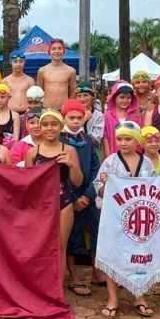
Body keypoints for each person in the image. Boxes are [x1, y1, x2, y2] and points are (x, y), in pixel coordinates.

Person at [94, 121, 158, 318]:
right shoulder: (110, 162)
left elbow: (155, 188)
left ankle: (139, 296)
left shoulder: (146, 163)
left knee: (140, 257)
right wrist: (105, 185)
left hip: (139, 220)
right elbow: (99, 189)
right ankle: (113, 299)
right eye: (120, 139)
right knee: (113, 257)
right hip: (114, 219)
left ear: (137, 141)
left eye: (128, 139)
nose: (123, 143)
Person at [25, 108, 82, 281]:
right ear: (40, 127)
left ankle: (57, 289)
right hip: (40, 205)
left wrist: (72, 165)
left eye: (54, 124)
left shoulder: (69, 150)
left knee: (60, 247)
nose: (49, 128)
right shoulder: (32, 152)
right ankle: (41, 285)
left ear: (61, 126)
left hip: (63, 203)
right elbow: (27, 185)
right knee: (40, 247)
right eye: (45, 125)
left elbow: (78, 182)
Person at [61, 100, 102, 297]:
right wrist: (75, 197)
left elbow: (96, 168)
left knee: (96, 232)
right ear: (64, 118)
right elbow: (61, 173)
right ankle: (74, 276)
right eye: (72, 118)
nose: (76, 122)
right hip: (69, 199)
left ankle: (96, 272)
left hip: (89, 197)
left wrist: (88, 194)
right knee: (71, 236)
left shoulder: (87, 140)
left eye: (79, 118)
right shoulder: (60, 140)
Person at [102, 80, 142, 157]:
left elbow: (140, 137)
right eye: (122, 97)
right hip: (113, 156)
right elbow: (105, 138)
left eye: (128, 97)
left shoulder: (137, 115)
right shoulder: (107, 116)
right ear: (114, 98)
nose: (125, 100)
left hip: (133, 157)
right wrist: (109, 157)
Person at [37, 39, 77, 110]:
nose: (57, 51)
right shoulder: (42, 71)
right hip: (47, 109)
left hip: (64, 109)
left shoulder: (71, 71)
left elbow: (73, 94)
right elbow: (39, 93)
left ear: (63, 51)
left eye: (59, 48)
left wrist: (69, 108)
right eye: (54, 49)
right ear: (49, 51)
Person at [0, 83, 19, 148]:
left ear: (9, 97)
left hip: (9, 149)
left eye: (2, 97)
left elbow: (16, 139)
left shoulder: (15, 115)